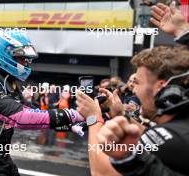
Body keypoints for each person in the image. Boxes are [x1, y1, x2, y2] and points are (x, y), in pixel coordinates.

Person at [0, 31, 84, 176]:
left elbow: (34, 112)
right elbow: (22, 117)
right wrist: (73, 114)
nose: (26, 62)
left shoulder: (8, 84)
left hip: (3, 159)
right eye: (22, 58)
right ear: (4, 54)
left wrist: (69, 124)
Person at [77, 45, 189, 175]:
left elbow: (102, 172)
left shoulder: (173, 137)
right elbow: (150, 134)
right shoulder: (180, 129)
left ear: (160, 87)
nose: (133, 90)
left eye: (137, 82)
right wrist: (120, 114)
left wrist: (93, 118)